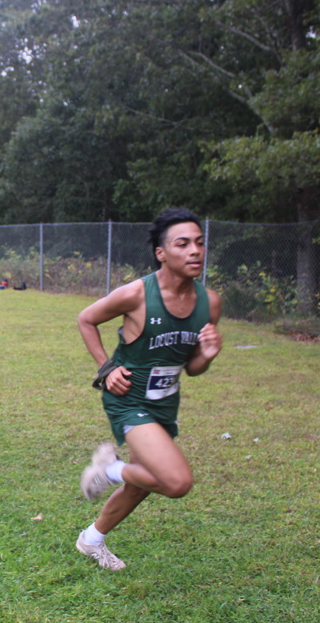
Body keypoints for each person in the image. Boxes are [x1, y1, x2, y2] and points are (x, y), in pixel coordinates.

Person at [74, 208, 222, 570]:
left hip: (165, 404)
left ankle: (91, 540)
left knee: (142, 484)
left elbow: (193, 368)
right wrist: (107, 368)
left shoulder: (210, 303)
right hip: (129, 399)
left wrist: (207, 355)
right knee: (176, 482)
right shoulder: (137, 294)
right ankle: (109, 470)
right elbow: (86, 319)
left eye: (199, 243)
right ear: (161, 253)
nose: (195, 251)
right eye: (182, 244)